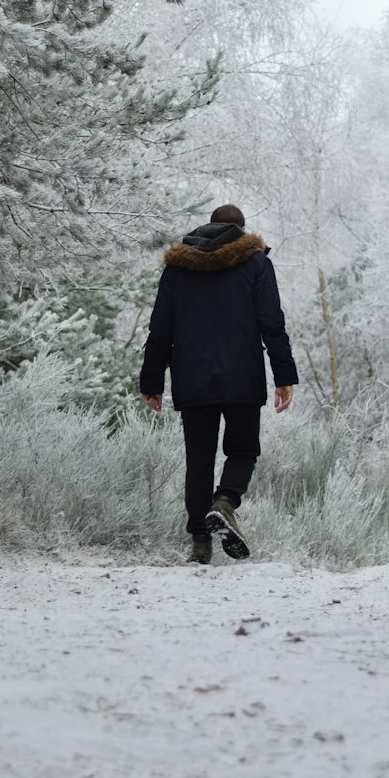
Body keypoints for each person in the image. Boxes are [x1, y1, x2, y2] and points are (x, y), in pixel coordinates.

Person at [139, 204, 298, 564]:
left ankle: (200, 545)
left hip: (191, 375)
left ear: (207, 228)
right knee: (242, 450)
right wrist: (284, 376)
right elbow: (272, 322)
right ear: (241, 229)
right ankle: (225, 502)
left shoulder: (178, 268)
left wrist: (151, 380)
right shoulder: (256, 263)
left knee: (199, 459)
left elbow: (160, 328)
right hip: (242, 374)